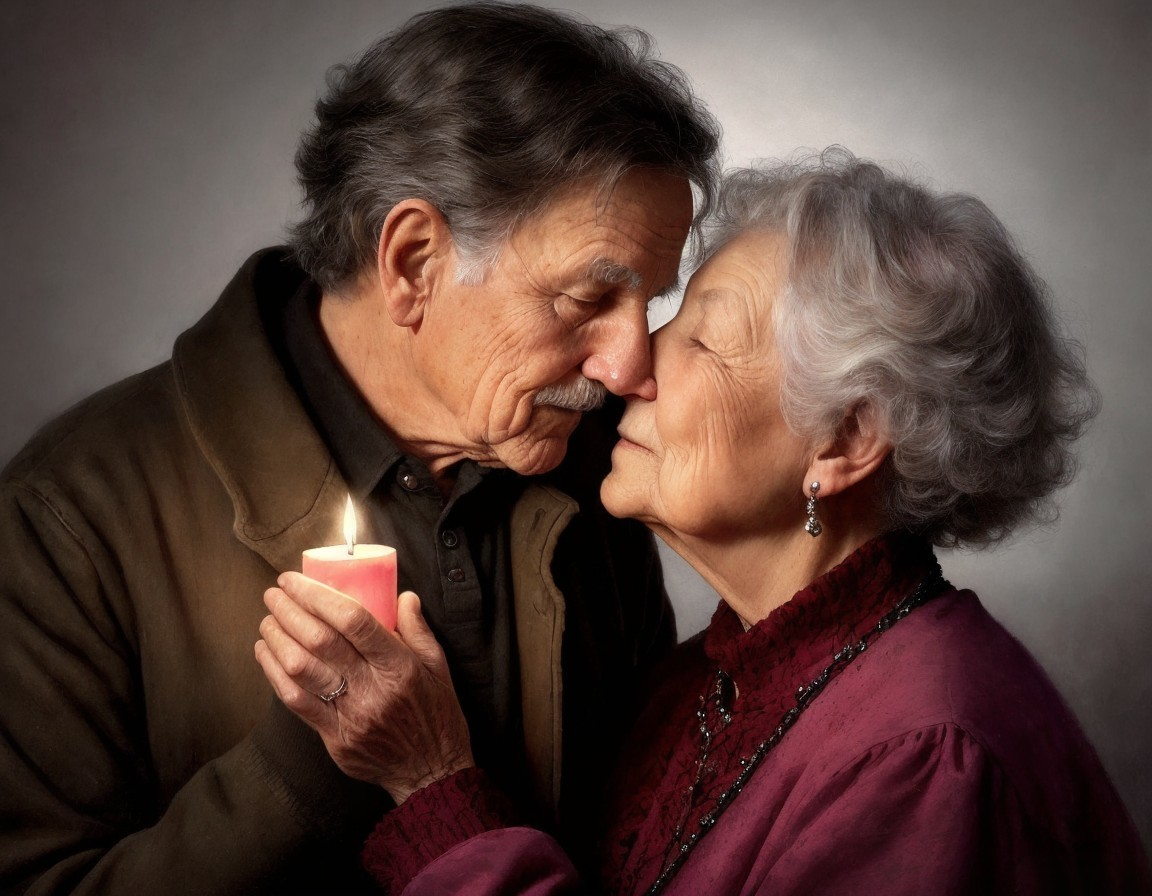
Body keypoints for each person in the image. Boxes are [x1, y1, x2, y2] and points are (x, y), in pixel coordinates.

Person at [258, 149, 1152, 894]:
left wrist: (433, 786)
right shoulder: (702, 685)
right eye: (669, 319)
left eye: (705, 342)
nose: (629, 367)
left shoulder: (929, 754)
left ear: (844, 439)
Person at [0, 4, 721, 893]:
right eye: (587, 299)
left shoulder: (600, 469)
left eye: (649, 302)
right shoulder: (70, 515)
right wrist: (306, 763)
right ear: (414, 263)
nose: (631, 366)